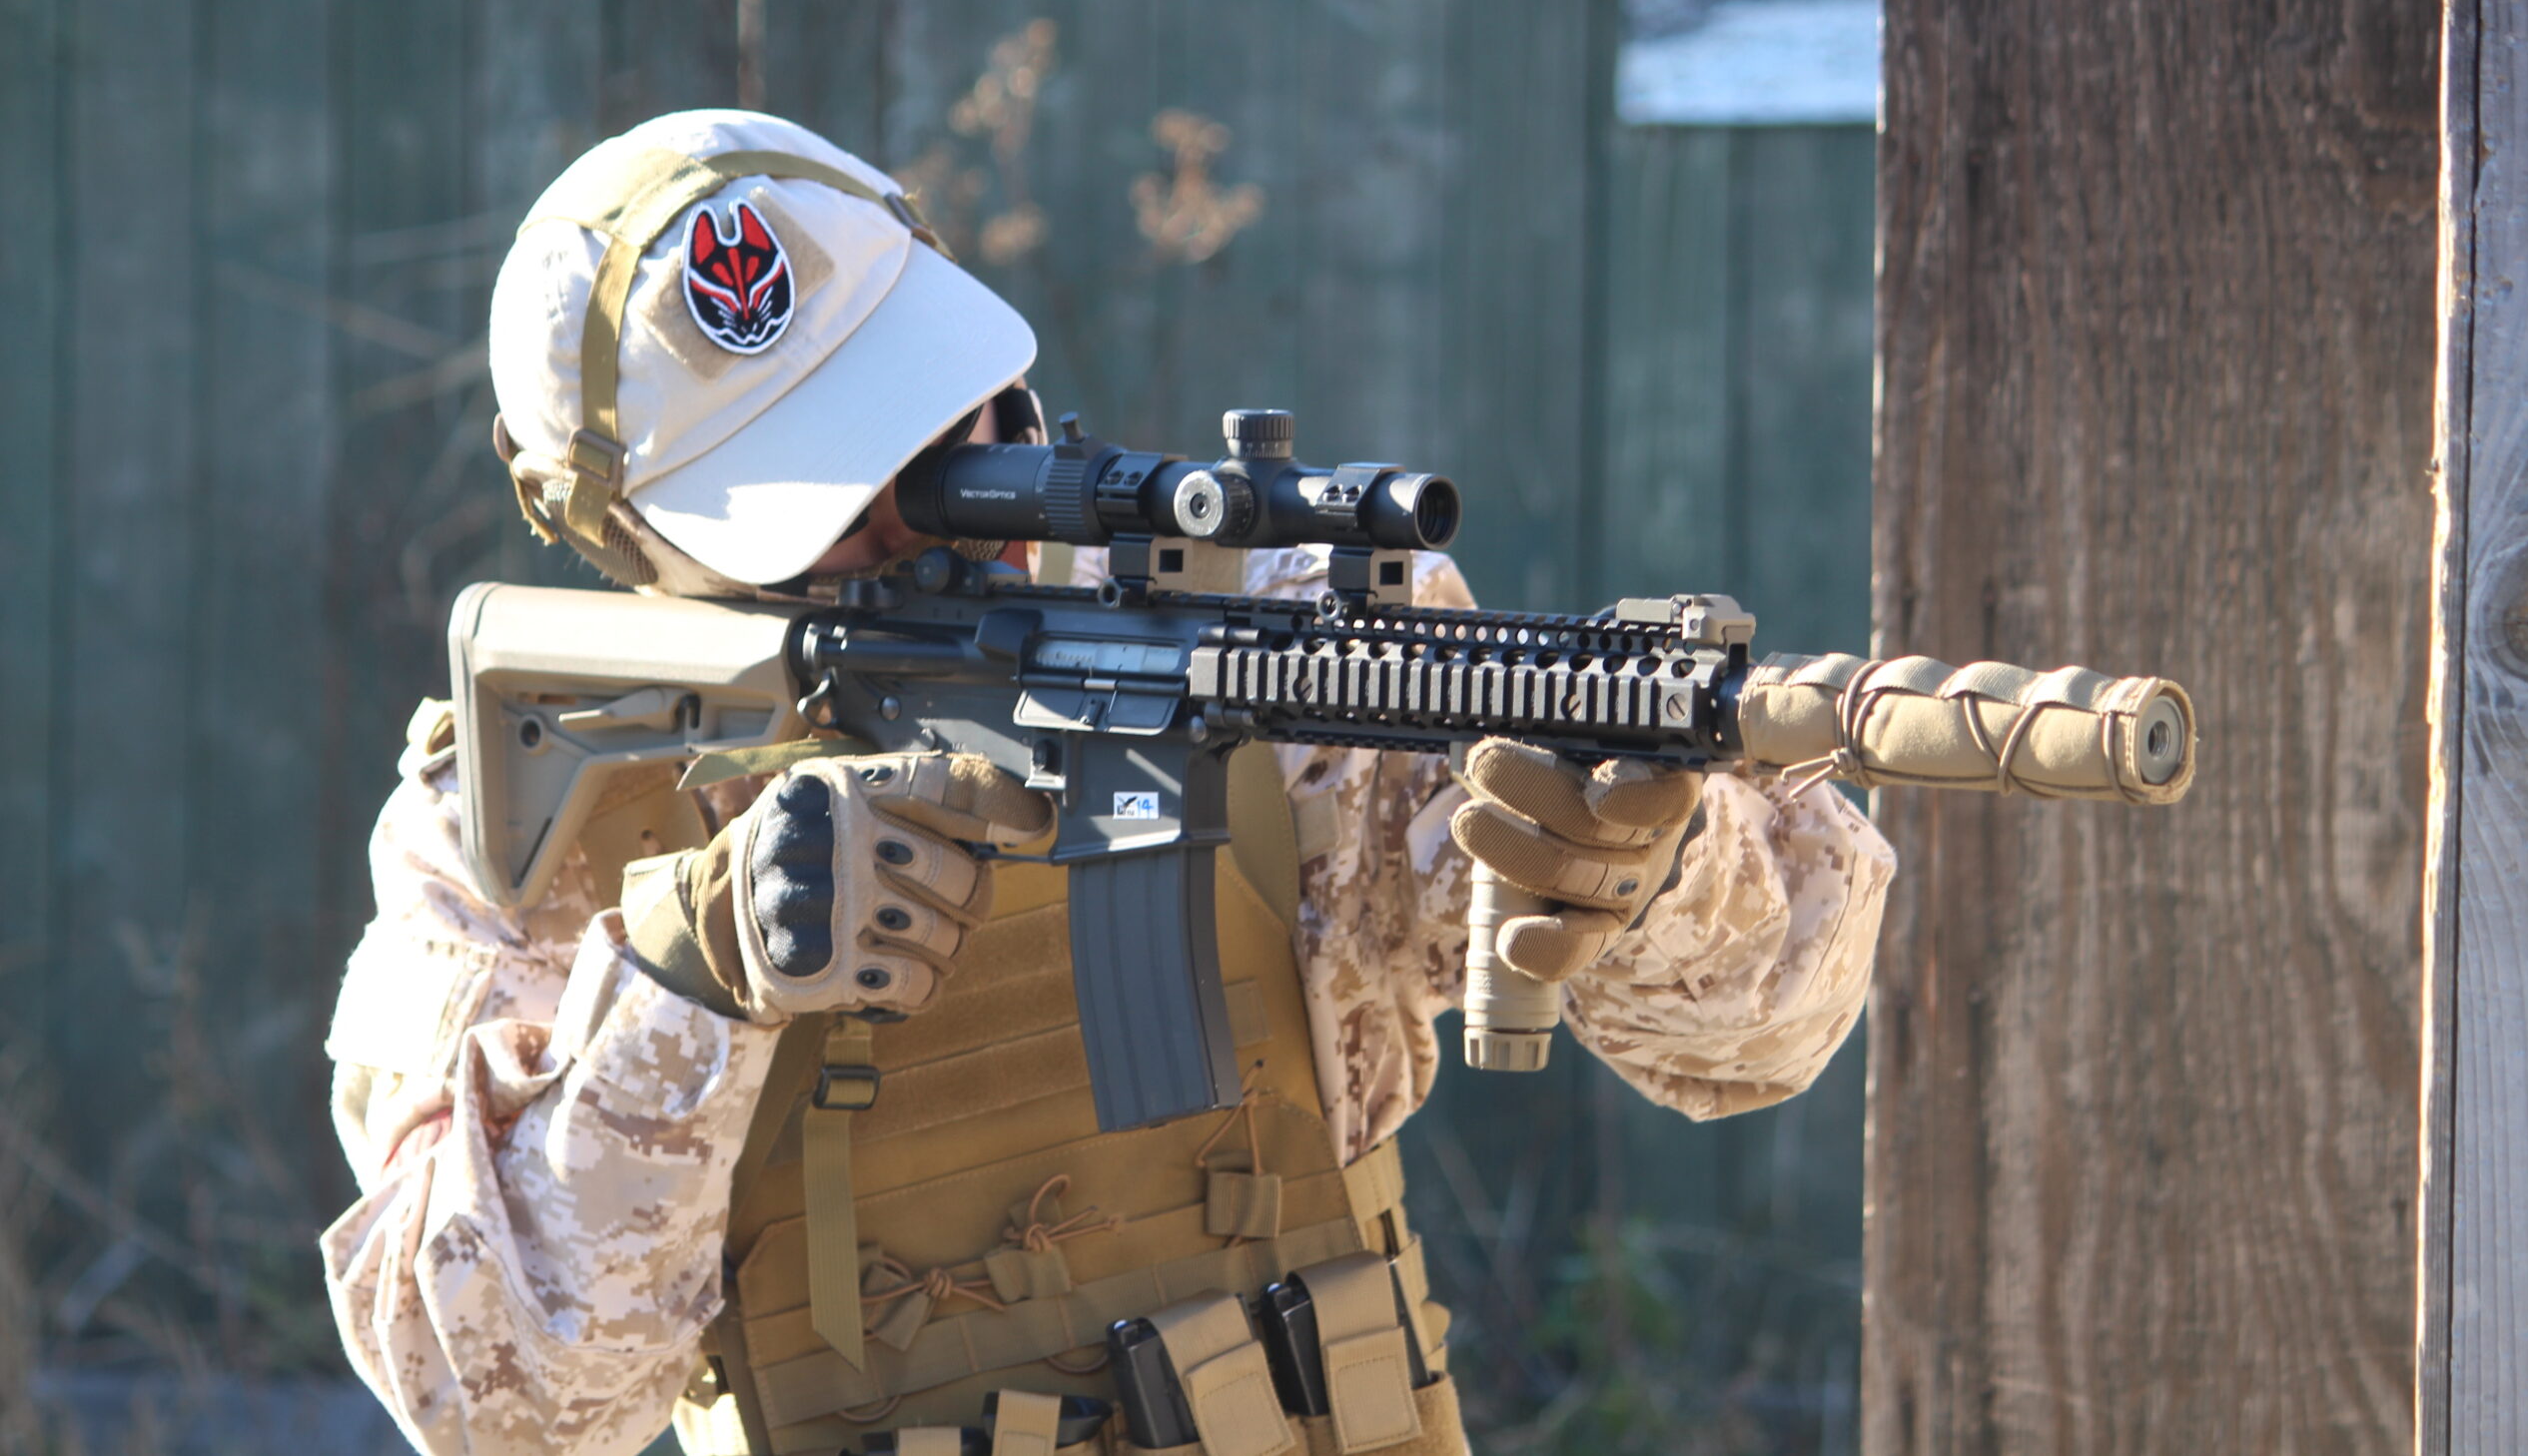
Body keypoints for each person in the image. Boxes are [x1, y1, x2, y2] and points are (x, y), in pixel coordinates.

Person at [319, 109, 1896, 1456]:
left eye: (941, 419)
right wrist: (689, 982)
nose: (930, 505)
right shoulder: (537, 817)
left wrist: (1655, 871)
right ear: (626, 539)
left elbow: (1767, 1035)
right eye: (832, 498)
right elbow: (505, 1413)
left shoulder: (1279, 632)